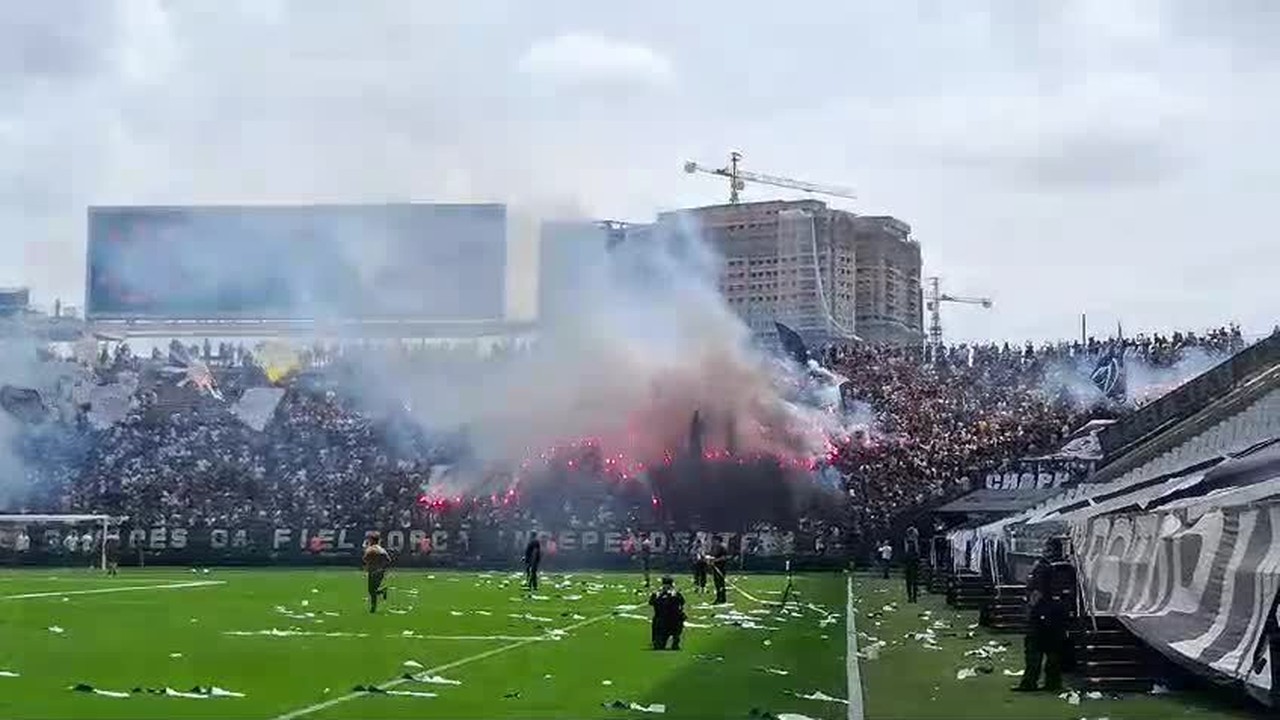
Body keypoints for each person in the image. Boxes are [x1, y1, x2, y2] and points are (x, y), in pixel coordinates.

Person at [1014, 537, 1075, 693]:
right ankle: (1053, 684)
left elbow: (1037, 592)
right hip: (1060, 615)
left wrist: (1029, 610)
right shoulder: (1068, 568)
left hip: (1041, 614)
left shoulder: (1043, 567)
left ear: (1050, 550)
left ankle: (1029, 683)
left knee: (1033, 650)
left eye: (1046, 548)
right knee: (1054, 651)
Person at [649, 576, 687, 650]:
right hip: (667, 622)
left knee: (660, 645)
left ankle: (674, 641)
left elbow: (651, 602)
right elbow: (682, 602)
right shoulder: (662, 594)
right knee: (659, 646)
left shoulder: (660, 594)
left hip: (666, 622)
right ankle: (672, 641)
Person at [362, 532, 391, 613]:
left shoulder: (370, 549)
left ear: (371, 540)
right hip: (380, 571)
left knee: (371, 590)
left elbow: (365, 559)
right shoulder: (381, 549)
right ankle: (382, 591)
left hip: (373, 571)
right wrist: (382, 568)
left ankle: (373, 607)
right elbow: (388, 560)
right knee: (373, 590)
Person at [708, 535, 728, 604]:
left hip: (721, 568)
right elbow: (712, 555)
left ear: (718, 540)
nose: (712, 542)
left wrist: (715, 560)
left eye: (714, 540)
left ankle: (722, 598)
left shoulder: (722, 547)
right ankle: (719, 597)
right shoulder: (714, 547)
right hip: (715, 568)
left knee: (721, 583)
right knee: (717, 584)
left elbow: (724, 557)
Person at [903, 526, 921, 603]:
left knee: (910, 581)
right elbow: (917, 553)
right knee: (913, 581)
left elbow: (906, 552)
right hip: (913, 563)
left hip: (910, 563)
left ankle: (911, 597)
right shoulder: (914, 542)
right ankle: (913, 597)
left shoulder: (908, 542)